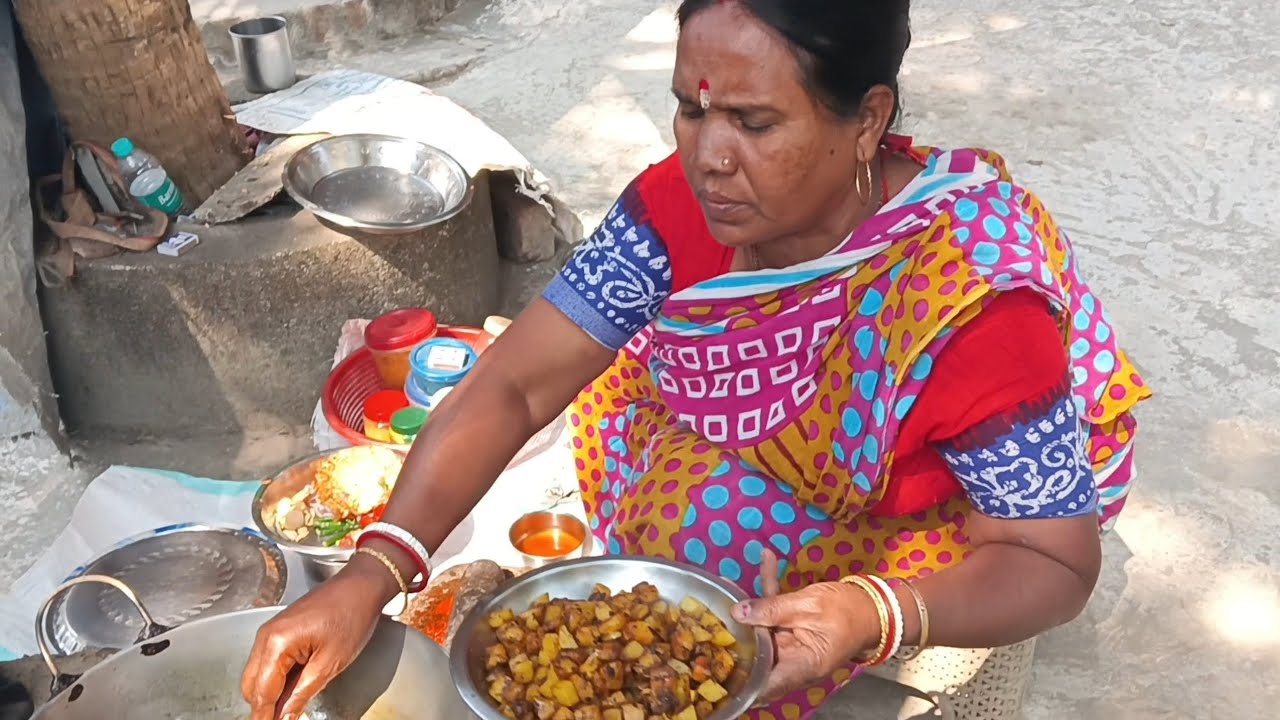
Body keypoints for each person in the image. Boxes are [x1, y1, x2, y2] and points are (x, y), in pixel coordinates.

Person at [241, 1, 1151, 718]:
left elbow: (1053, 557)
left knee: (710, 550)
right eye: (689, 108)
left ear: (869, 119)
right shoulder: (679, 207)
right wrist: (371, 575)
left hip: (914, 509)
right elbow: (516, 383)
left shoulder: (968, 296)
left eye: (755, 123)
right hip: (759, 444)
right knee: (615, 406)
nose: (709, 156)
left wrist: (877, 613)